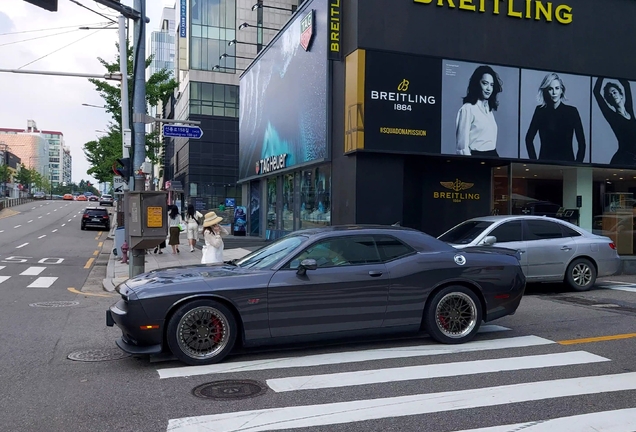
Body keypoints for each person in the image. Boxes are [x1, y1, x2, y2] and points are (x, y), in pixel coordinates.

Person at [525, 72, 586, 162]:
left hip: (567, 164)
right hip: (545, 164)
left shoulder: (572, 112)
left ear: (561, 90)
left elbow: (582, 143)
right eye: (550, 89)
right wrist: (535, 163)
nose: (554, 92)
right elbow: (528, 139)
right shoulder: (540, 111)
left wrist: (577, 164)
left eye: (557, 88)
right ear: (546, 91)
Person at [456, 65, 503, 157]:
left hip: (493, 156)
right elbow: (462, 147)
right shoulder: (468, 109)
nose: (489, 88)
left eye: (491, 85)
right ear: (477, 84)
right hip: (477, 158)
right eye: (485, 83)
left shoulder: (488, 110)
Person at [593, 77, 636, 165]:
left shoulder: (629, 110)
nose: (613, 95)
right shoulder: (611, 116)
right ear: (609, 101)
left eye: (614, 92)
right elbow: (596, 92)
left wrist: (614, 70)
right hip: (624, 158)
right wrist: (601, 74)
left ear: (621, 95)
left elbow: (626, 85)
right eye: (610, 95)